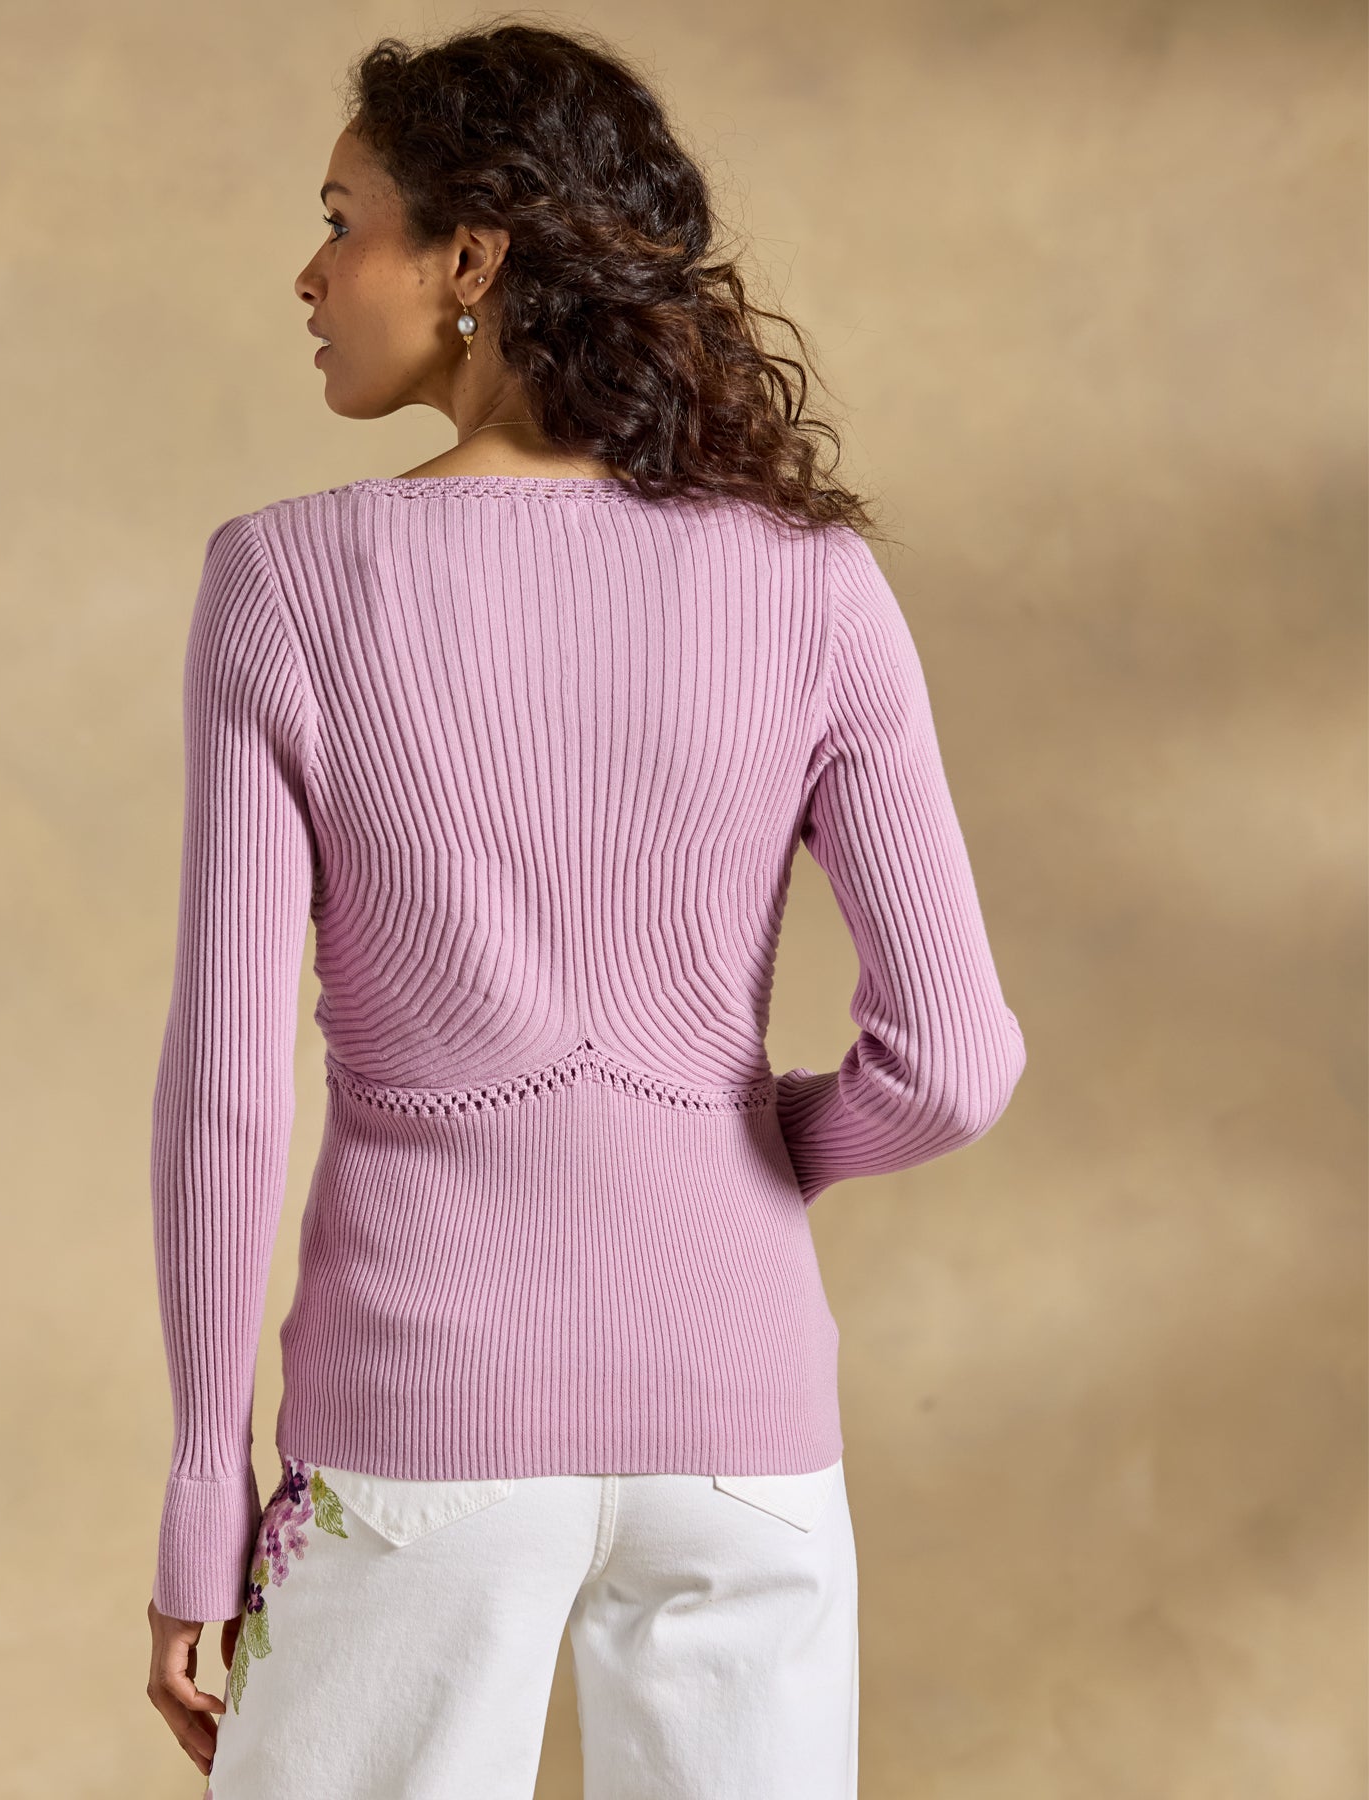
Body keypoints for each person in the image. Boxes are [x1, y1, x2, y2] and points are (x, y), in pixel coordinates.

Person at [142, 21, 1025, 1799]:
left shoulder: (286, 583)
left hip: (420, 1424)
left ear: (471, 258)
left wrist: (196, 1498)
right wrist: (741, 1143)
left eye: (345, 222)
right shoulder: (817, 583)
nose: (310, 273)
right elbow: (956, 1064)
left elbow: (230, 1095)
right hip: (745, 1431)